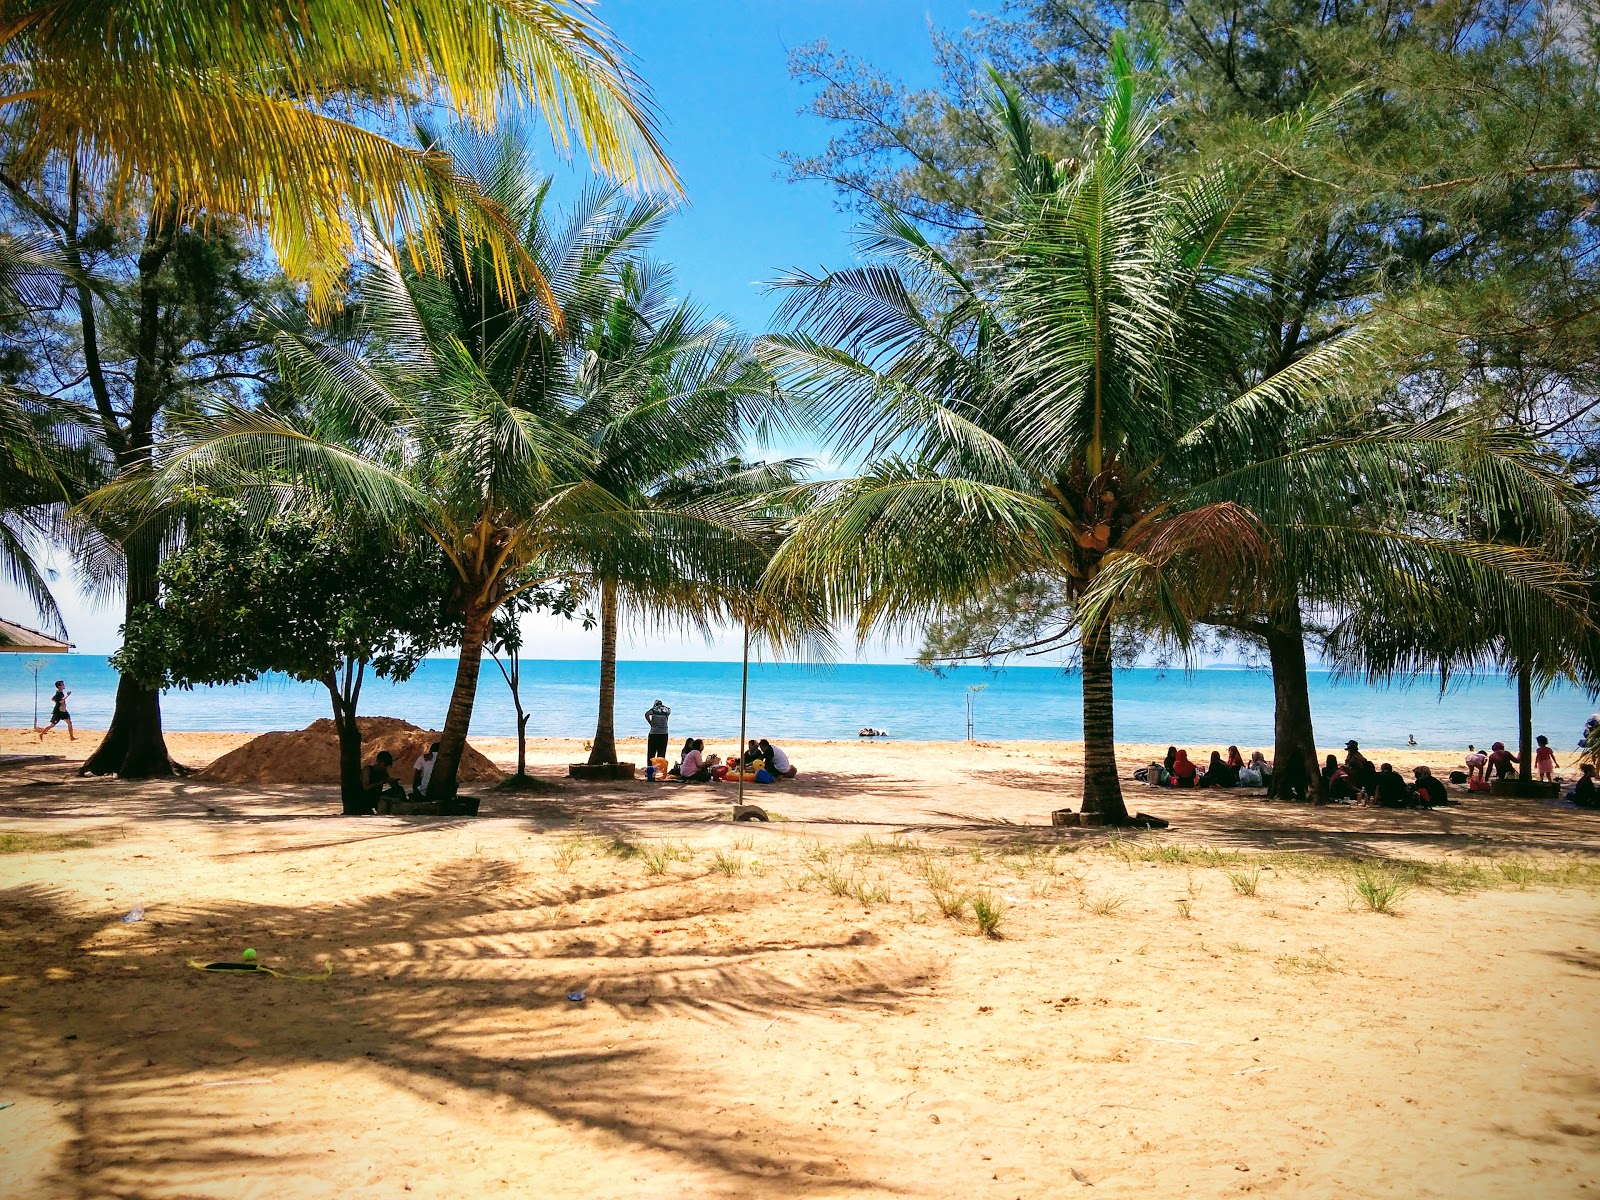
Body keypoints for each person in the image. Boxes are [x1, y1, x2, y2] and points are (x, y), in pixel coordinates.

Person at [644, 700, 672, 767]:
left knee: (651, 753)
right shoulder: (667, 710)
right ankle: (660, 769)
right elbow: (667, 718)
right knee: (661, 753)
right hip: (664, 733)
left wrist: (651, 723)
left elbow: (646, 714)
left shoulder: (654, 709)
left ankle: (650, 768)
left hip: (654, 733)